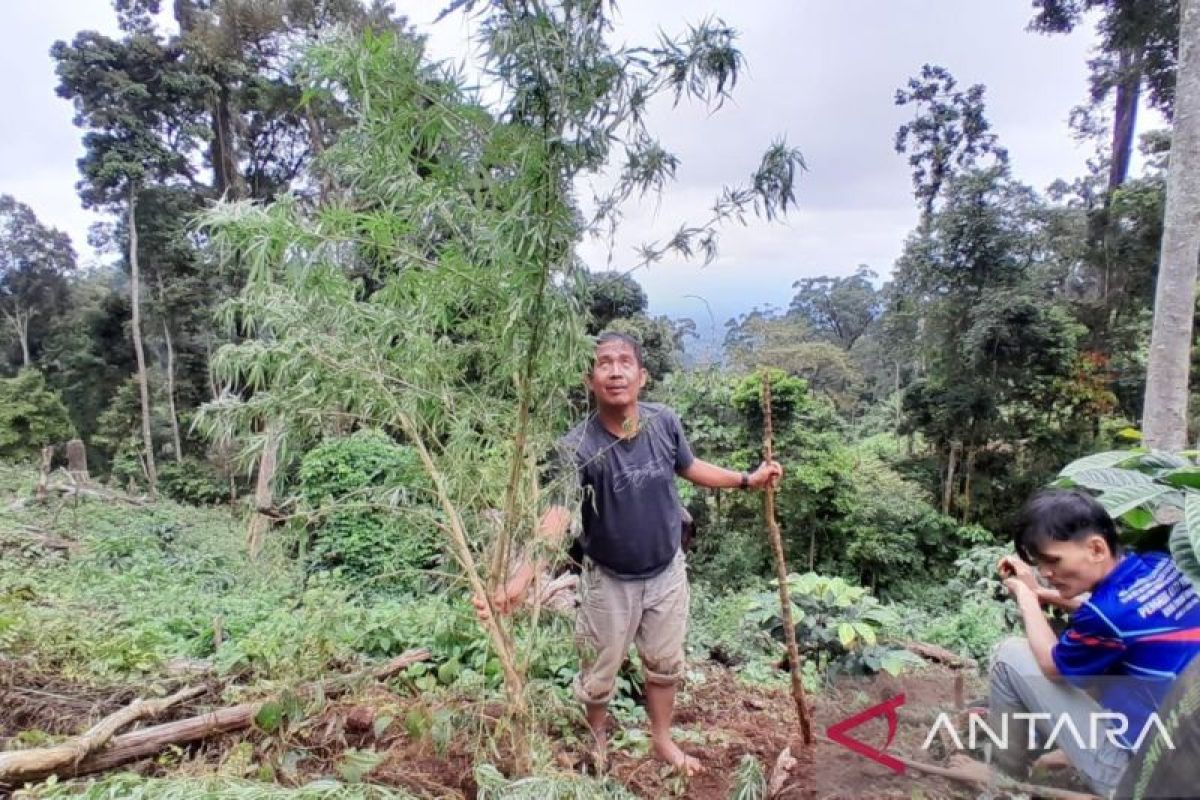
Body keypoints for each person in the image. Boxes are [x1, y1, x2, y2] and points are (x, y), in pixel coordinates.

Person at [475, 331, 782, 775]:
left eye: (624, 362)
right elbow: (556, 517)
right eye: (604, 363)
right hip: (608, 581)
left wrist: (747, 480)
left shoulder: (664, 422)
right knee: (599, 676)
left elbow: (690, 467)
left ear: (642, 376)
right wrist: (519, 585)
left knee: (664, 666)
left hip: (666, 571)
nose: (615, 370)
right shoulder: (575, 448)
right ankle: (597, 741)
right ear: (590, 379)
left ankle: (662, 740)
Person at [955, 489, 1200, 796]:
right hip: (1185, 766)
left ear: (1096, 549)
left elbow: (1050, 663)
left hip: (1140, 780)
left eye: (1052, 561)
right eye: (1039, 563)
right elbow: (1125, 615)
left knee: (1009, 655)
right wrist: (1043, 592)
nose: (1045, 572)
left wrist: (1026, 597)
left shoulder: (1105, 617)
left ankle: (1003, 778)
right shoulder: (1160, 564)